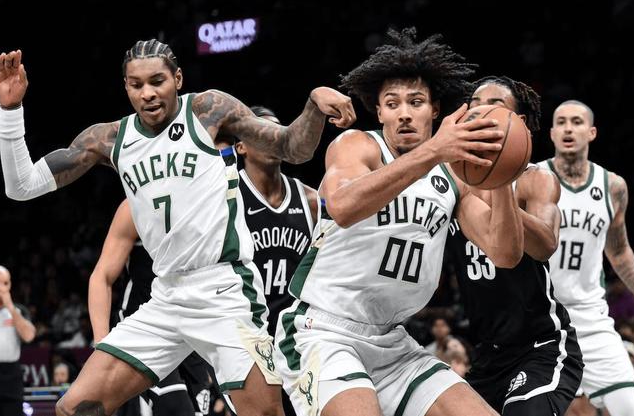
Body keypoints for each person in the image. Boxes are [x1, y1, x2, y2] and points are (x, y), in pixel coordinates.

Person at [0, 39, 356, 416]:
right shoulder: (110, 138)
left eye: (157, 81)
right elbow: (22, 186)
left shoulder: (207, 110)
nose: (147, 93)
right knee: (75, 407)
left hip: (223, 291)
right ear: (126, 87)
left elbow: (293, 148)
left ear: (177, 79)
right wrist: (10, 109)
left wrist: (314, 104)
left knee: (265, 412)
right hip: (165, 296)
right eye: (136, 85)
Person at [274, 28, 524, 416]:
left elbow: (505, 253)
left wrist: (502, 175)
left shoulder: (453, 176)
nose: (404, 112)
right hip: (323, 332)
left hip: (392, 342)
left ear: (435, 110)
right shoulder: (358, 146)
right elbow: (342, 206)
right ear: (379, 113)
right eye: (392, 104)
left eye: (416, 102)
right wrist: (434, 150)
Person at [444, 76, 583, 416]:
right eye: (475, 106)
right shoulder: (448, 181)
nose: (481, 112)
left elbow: (545, 245)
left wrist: (500, 186)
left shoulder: (535, 179)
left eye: (494, 106)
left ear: (517, 123)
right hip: (486, 354)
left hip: (541, 346)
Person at [538, 100, 634, 416]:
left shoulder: (613, 187)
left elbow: (619, 251)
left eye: (576, 122)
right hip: (540, 319)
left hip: (591, 319)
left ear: (592, 132)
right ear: (552, 133)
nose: (568, 128)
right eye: (561, 122)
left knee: (631, 409)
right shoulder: (532, 178)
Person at [89, 200, 222, 416]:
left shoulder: (204, 200)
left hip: (192, 326)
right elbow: (102, 277)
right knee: (177, 408)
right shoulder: (135, 206)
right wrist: (100, 346)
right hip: (145, 328)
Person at [236, 105, 319, 416]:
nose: (272, 138)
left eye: (278, 131)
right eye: (260, 132)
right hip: (247, 334)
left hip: (297, 335)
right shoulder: (225, 197)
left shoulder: (310, 200)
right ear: (240, 146)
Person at [0, 265, 36, 416]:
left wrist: (10, 307)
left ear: (10, 285)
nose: (1, 287)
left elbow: (29, 336)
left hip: (12, 375)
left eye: (5, 283)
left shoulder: (18, 311)